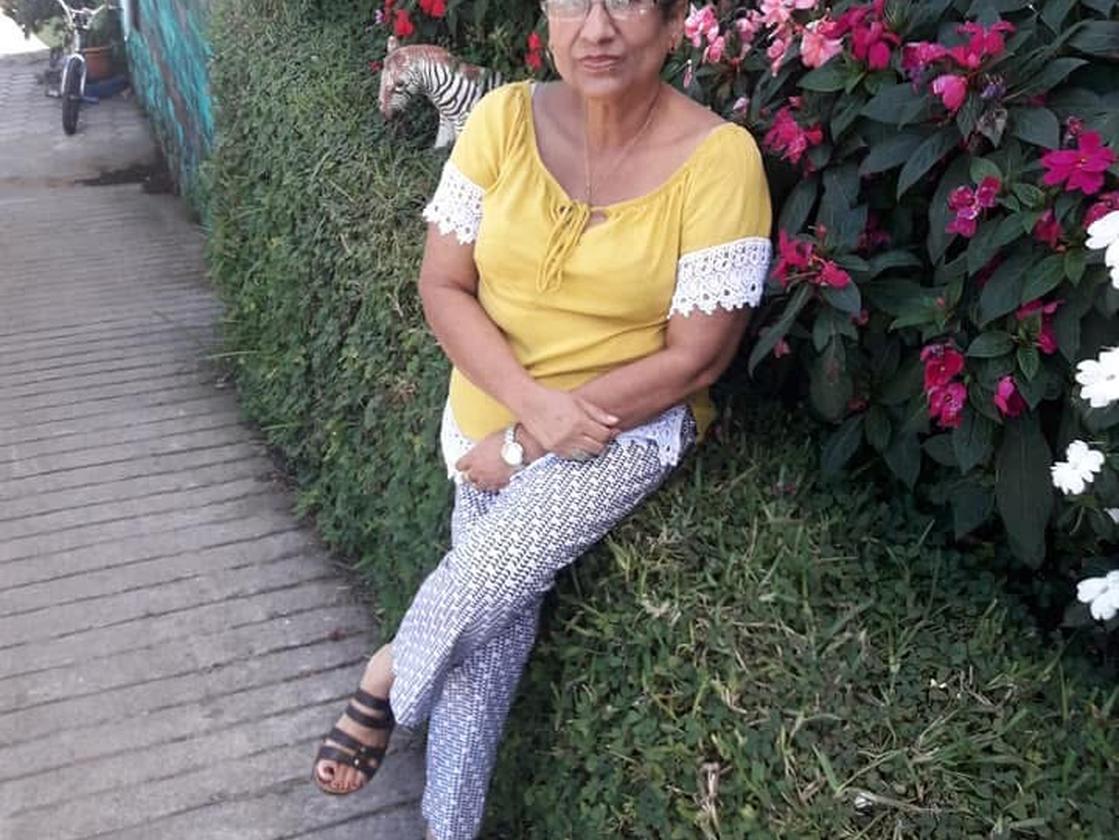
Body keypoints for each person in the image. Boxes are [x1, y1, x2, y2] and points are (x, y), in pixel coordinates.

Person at [311, 0, 772, 836]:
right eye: (572, 3)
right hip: (485, 421)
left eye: (626, 3)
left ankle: (386, 671)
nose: (596, 29)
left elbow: (696, 360)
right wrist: (524, 418)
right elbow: (441, 285)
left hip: (626, 426)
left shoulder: (720, 159)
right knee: (489, 633)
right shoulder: (501, 118)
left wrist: (529, 443)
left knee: (488, 574)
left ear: (674, 26)